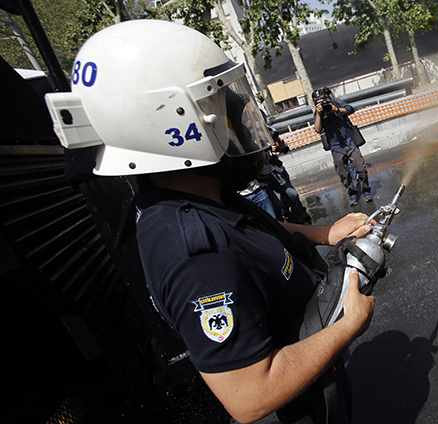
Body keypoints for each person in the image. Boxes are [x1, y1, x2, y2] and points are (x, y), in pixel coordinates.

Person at [45, 20, 375, 423]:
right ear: (171, 123)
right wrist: (347, 327)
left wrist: (322, 233)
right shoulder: (195, 255)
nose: (236, 120)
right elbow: (251, 395)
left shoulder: (200, 194)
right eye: (221, 108)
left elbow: (252, 232)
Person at [312, 87, 373, 206]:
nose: (321, 103)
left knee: (360, 167)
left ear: (327, 97)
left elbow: (350, 109)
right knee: (343, 173)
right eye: (317, 102)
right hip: (336, 147)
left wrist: (337, 110)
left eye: (323, 100)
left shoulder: (336, 102)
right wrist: (319, 114)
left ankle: (366, 190)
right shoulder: (317, 113)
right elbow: (317, 129)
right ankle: (352, 194)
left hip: (349, 142)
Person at [263, 127, 313, 224]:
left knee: (291, 194)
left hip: (278, 170)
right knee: (275, 205)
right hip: (264, 176)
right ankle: (283, 219)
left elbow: (285, 149)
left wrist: (277, 142)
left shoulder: (270, 130)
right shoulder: (253, 137)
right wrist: (267, 148)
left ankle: (299, 216)